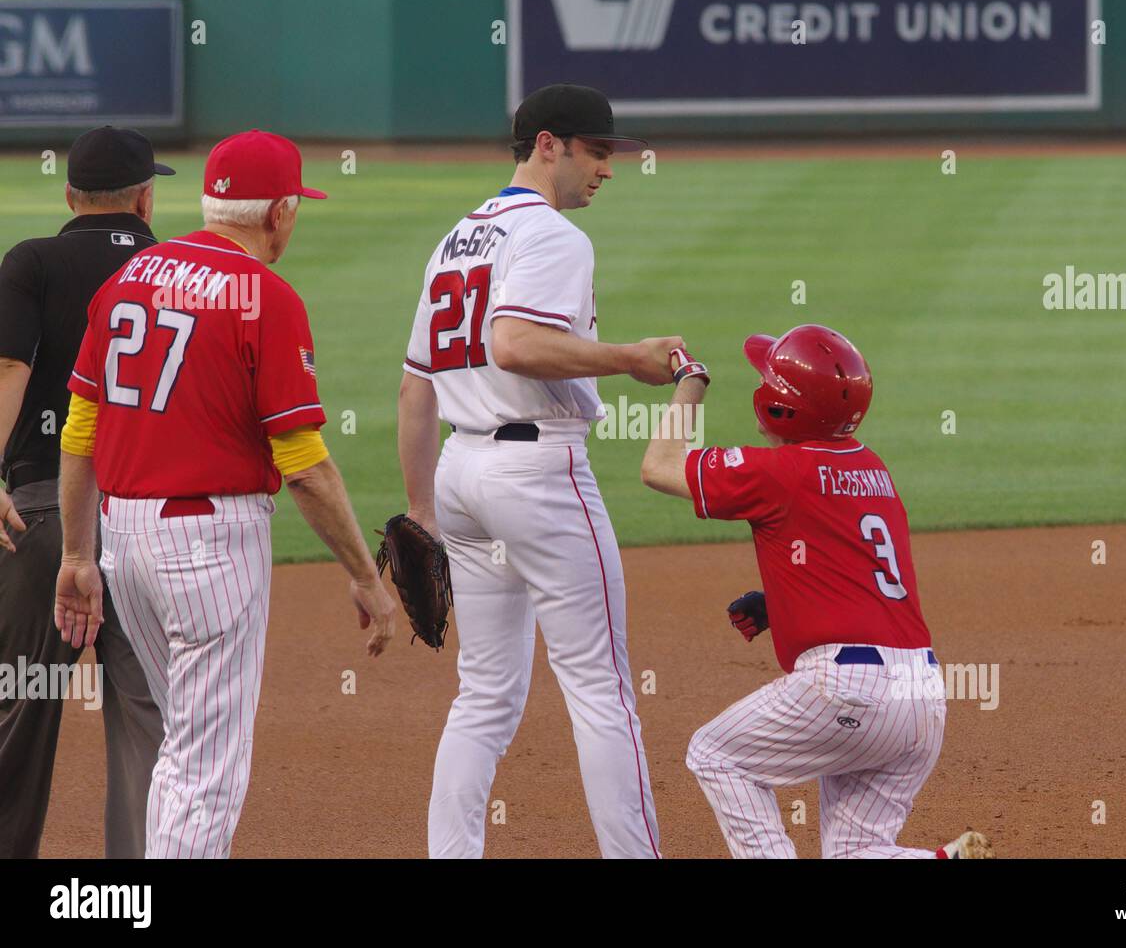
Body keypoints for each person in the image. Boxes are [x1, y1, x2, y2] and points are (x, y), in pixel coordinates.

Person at [52, 129, 398, 858]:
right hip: (210, 548)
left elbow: (80, 428)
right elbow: (303, 464)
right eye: (295, 206)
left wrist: (77, 553)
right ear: (278, 213)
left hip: (124, 541)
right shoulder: (267, 297)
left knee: (181, 747)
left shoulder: (130, 278)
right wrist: (367, 577)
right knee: (206, 771)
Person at [399, 84, 679, 858]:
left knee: (483, 696)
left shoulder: (457, 237)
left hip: (462, 471)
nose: (609, 169)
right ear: (548, 144)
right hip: (538, 475)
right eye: (598, 151)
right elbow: (516, 344)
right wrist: (630, 358)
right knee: (602, 691)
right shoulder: (553, 236)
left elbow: (414, 388)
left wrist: (422, 508)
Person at [640, 326, 994, 859]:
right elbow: (853, 569)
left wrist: (690, 379)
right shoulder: (874, 469)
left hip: (849, 690)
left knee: (715, 753)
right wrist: (783, 604)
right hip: (921, 699)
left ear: (778, 407)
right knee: (855, 851)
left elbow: (659, 467)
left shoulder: (780, 470)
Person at [0, 126, 171, 858]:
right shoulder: (172, 268)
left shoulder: (31, 260)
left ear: (70, 195)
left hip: (39, 518)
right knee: (147, 727)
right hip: (148, 525)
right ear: (145, 197)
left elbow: (10, 370)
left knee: (19, 712)